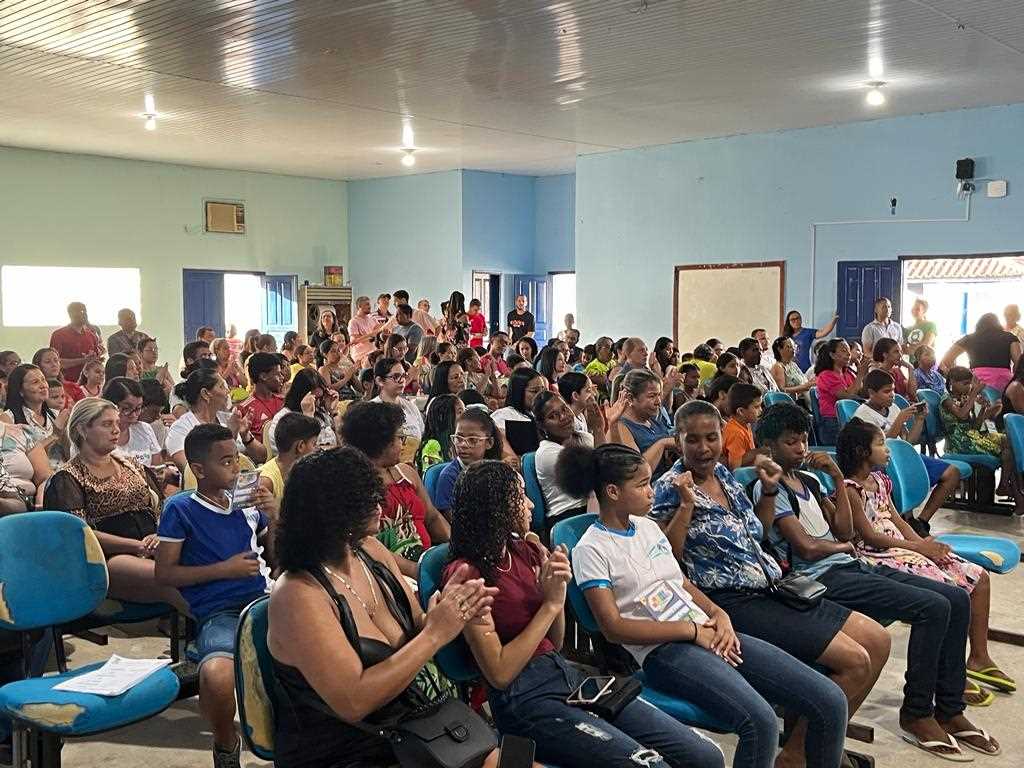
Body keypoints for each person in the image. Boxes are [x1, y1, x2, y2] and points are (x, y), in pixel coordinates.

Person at [565, 441, 851, 768]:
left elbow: (682, 584)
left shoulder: (645, 527)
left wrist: (720, 614)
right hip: (665, 650)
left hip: (707, 630)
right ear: (613, 492)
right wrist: (691, 631)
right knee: (761, 722)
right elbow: (613, 628)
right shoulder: (591, 549)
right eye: (642, 485)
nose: (651, 492)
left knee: (830, 699)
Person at [444, 460, 723, 768]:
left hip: (563, 674)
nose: (529, 504)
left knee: (704, 755)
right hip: (522, 699)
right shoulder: (467, 576)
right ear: (495, 507)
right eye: (519, 496)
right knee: (649, 765)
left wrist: (558, 592)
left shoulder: (524, 550)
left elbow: (557, 641)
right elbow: (499, 674)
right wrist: (550, 605)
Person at [759, 403, 992, 747]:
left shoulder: (808, 480)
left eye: (803, 440)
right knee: (932, 606)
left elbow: (842, 530)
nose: (801, 448)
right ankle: (916, 712)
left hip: (849, 566)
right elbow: (807, 549)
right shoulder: (772, 489)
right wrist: (843, 548)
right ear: (770, 448)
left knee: (955, 597)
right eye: (791, 442)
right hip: (819, 579)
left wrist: (837, 479)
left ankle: (949, 707)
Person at [266, 446, 497, 768]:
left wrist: (450, 608)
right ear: (330, 512)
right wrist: (436, 632)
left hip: (415, 728)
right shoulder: (297, 594)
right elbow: (353, 701)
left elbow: (418, 627)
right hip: (347, 751)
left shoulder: (371, 552)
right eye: (367, 501)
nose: (381, 506)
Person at [834, 419, 1002, 756]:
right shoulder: (849, 487)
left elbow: (897, 520)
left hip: (902, 546)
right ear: (861, 451)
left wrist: (925, 544)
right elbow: (868, 536)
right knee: (944, 597)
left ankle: (950, 707)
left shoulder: (880, 481)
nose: (887, 449)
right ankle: (918, 711)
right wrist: (918, 550)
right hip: (877, 555)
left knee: (962, 586)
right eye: (881, 443)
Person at [155, 423, 274, 768]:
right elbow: (163, 574)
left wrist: (276, 514)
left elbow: (277, 557)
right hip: (220, 611)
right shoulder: (180, 509)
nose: (236, 467)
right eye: (226, 461)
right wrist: (225, 570)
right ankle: (226, 742)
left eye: (236, 458)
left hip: (266, 600)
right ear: (198, 469)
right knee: (217, 676)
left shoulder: (248, 504)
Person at [43, 397, 186, 610]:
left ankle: (220, 630)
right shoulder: (67, 478)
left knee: (207, 566)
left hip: (154, 545)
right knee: (173, 579)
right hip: (107, 558)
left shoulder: (131, 465)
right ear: (82, 429)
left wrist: (160, 536)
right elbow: (80, 535)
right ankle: (218, 632)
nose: (116, 430)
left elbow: (160, 508)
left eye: (116, 424)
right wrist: (138, 546)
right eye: (107, 424)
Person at [340, 401, 450, 578]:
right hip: (388, 574)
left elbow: (433, 517)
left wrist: (458, 549)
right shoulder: (354, 486)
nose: (403, 444)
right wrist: (420, 572)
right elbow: (367, 547)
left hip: (426, 560)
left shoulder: (407, 473)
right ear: (381, 443)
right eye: (400, 438)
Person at [853, 370, 959, 532]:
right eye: (886, 391)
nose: (892, 395)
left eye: (893, 390)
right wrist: (900, 420)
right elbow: (881, 445)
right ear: (871, 393)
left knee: (951, 473)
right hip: (883, 463)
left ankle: (922, 521)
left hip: (904, 457)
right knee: (900, 481)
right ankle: (905, 521)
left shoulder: (894, 408)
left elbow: (908, 441)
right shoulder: (863, 414)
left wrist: (919, 419)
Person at [942, 367, 1024, 512]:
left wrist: (984, 411)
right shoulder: (946, 399)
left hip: (973, 435)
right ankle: (1008, 488)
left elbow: (976, 425)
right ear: (953, 382)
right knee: (1006, 452)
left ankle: (1007, 486)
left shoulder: (965, 398)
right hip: (959, 441)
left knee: (1010, 441)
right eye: (965, 384)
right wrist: (974, 394)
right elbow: (961, 415)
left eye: (969, 384)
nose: (968, 387)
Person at [532, 391, 606, 535]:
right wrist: (598, 430)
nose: (563, 417)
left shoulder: (584, 437)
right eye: (553, 416)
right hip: (568, 517)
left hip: (597, 503)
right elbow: (596, 475)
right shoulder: (546, 453)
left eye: (565, 409)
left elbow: (607, 460)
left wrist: (600, 429)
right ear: (542, 426)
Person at [165, 369, 266, 473]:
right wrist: (230, 435)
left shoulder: (229, 419)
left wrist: (246, 436)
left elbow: (262, 457)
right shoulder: (181, 428)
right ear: (205, 394)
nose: (227, 392)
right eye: (222, 387)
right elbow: (191, 472)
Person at [609, 369, 676, 481]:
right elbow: (636, 472)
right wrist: (662, 444)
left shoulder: (651, 418)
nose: (658, 401)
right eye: (652, 396)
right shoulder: (621, 427)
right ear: (631, 398)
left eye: (659, 395)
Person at [434, 407, 504, 514]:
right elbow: (451, 518)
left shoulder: (497, 471)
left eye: (472, 440)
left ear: (489, 442)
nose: (463, 445)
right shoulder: (449, 476)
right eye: (459, 438)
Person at [941, 313, 1022, 393]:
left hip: (977, 383)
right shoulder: (1010, 337)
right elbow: (1019, 363)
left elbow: (946, 360)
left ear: (978, 325)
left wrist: (958, 376)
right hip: (1003, 384)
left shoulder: (969, 338)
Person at [266, 368, 338, 455]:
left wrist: (333, 411)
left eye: (321, 398)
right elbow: (300, 454)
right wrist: (308, 416)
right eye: (315, 399)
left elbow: (343, 441)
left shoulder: (320, 411)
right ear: (301, 396)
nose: (319, 403)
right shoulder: (283, 419)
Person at [814, 339, 869, 445]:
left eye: (849, 350)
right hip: (833, 422)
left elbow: (861, 393)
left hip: (850, 418)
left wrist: (863, 374)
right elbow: (847, 397)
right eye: (844, 350)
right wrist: (860, 375)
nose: (849, 354)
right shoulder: (826, 375)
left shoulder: (848, 373)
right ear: (833, 355)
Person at [1, 364, 68, 449]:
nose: (43, 385)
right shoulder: (8, 419)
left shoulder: (55, 414)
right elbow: (16, 458)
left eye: (43, 380)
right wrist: (55, 435)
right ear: (20, 390)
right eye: (35, 382)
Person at [259, 412, 321, 503]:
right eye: (314, 444)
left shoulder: (305, 471)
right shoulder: (266, 482)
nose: (317, 449)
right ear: (301, 446)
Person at [371, 359, 424, 464]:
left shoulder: (411, 407)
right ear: (379, 381)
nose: (402, 380)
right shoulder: (371, 410)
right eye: (395, 377)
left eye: (404, 376)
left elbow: (422, 435)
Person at [101, 377, 163, 467]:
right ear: (109, 405)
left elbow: (157, 466)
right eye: (126, 408)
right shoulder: (98, 434)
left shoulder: (145, 429)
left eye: (138, 408)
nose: (134, 415)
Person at [236, 352, 285, 441]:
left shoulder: (283, 401)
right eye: (278, 374)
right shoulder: (244, 408)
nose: (282, 377)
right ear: (263, 376)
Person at [49, 301, 101, 382]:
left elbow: (95, 359)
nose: (84, 315)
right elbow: (56, 362)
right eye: (80, 311)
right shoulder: (58, 335)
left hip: (88, 384)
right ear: (71, 314)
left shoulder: (91, 335)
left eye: (85, 311)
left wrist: (96, 357)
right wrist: (83, 360)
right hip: (67, 383)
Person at [413, 394, 463, 474]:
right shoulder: (432, 445)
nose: (465, 416)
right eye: (460, 412)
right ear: (443, 417)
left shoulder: (456, 442)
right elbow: (432, 479)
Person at [490, 366, 546, 431]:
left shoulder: (540, 415)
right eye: (535, 391)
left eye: (543, 390)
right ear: (518, 392)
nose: (541, 395)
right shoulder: (503, 416)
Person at [721, 383, 762, 470]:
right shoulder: (736, 432)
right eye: (756, 407)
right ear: (741, 411)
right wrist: (759, 453)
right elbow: (736, 469)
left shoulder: (746, 424)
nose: (761, 410)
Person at [770, 336, 815, 405]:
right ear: (779, 349)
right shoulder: (778, 367)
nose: (793, 349)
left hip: (802, 399)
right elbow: (781, 390)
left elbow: (803, 382)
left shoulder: (793, 365)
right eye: (789, 347)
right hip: (789, 404)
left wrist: (810, 383)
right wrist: (803, 387)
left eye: (794, 346)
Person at [349, 296, 387, 368]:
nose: (370, 307)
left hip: (374, 354)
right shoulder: (353, 321)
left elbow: (379, 331)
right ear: (359, 306)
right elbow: (354, 340)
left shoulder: (373, 319)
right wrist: (372, 336)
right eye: (367, 304)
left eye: (369, 304)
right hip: (361, 357)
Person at [904, 299, 937, 364]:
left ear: (924, 312)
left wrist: (910, 349)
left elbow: (925, 346)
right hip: (913, 363)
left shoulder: (931, 325)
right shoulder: (908, 329)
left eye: (917, 309)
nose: (914, 311)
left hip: (927, 363)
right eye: (913, 308)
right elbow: (904, 348)